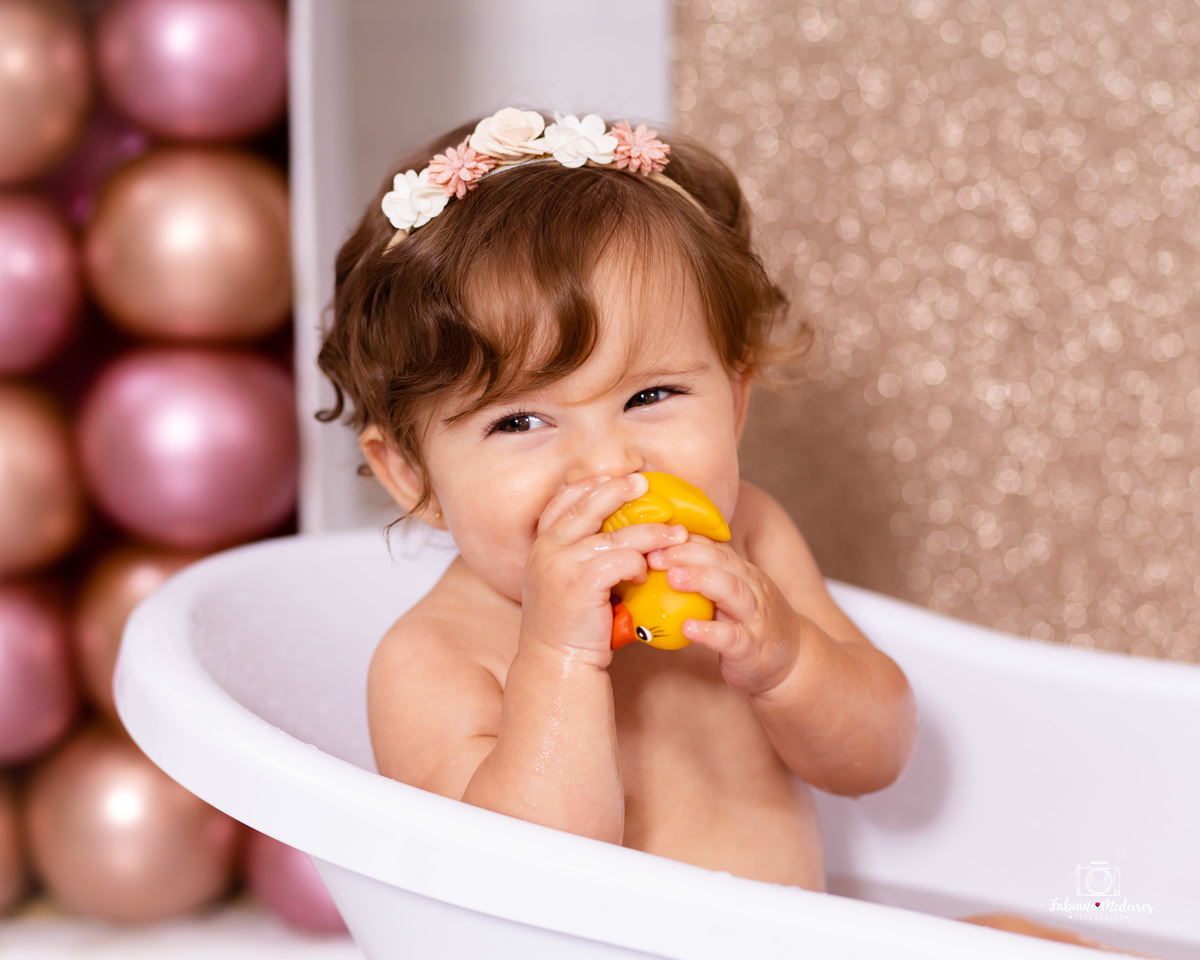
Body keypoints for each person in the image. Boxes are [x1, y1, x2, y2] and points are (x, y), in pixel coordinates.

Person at [317, 108, 1128, 950]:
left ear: (735, 405)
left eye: (650, 396)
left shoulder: (749, 538)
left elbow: (877, 757)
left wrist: (789, 661)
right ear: (411, 475)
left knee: (1030, 940)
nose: (608, 463)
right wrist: (558, 656)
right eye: (519, 422)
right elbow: (519, 892)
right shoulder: (433, 658)